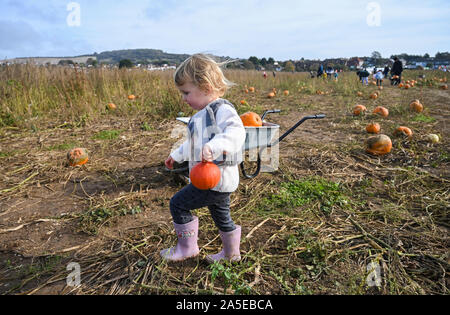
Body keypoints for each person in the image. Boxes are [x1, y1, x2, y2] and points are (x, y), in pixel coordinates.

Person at [162, 54, 246, 263]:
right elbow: (192, 144)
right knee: (221, 216)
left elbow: (236, 132)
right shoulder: (198, 116)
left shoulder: (222, 109)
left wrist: (214, 146)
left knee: (178, 204)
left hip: (215, 179)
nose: (184, 98)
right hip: (217, 182)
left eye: (186, 92)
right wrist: (176, 155)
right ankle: (231, 254)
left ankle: (187, 248)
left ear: (206, 87)